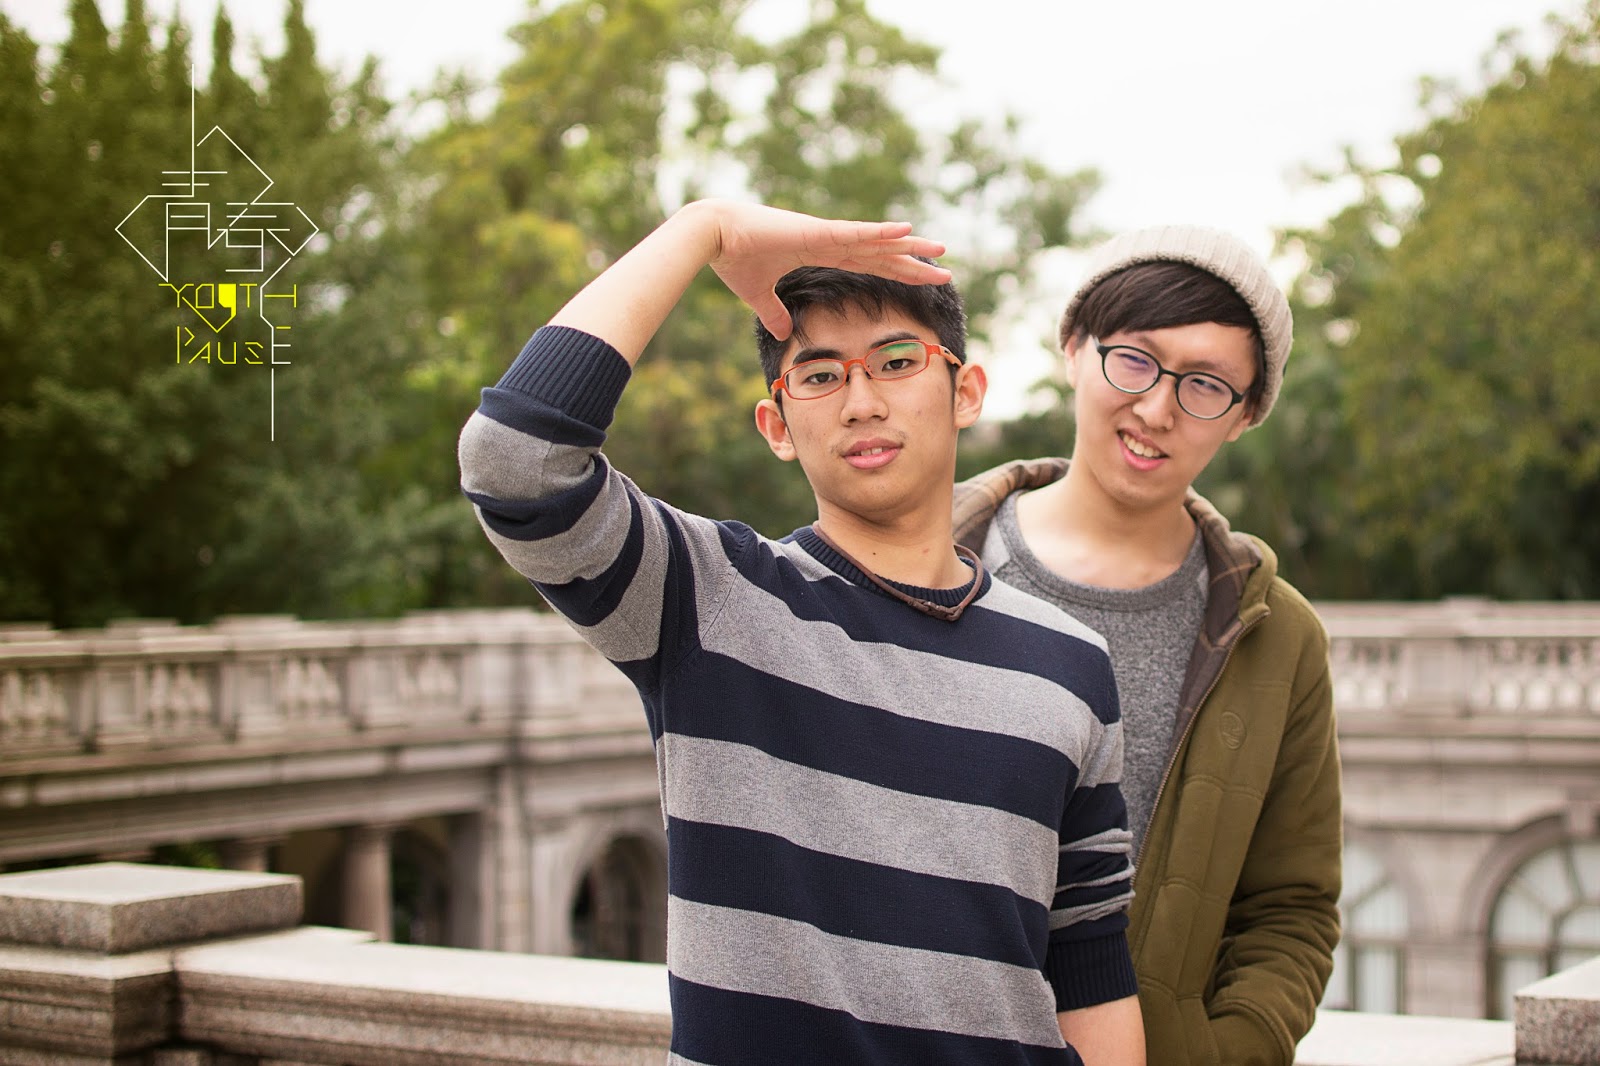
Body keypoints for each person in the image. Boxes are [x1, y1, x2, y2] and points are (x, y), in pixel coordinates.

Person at [458, 199, 1145, 1064]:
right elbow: (514, 462)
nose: (861, 401)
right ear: (777, 425)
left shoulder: (1071, 661)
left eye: (897, 361)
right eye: (819, 376)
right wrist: (702, 230)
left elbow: (1089, 961)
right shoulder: (709, 601)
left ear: (965, 391)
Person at [952, 226, 1342, 1066]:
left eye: (1206, 385)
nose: (1158, 409)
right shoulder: (920, 562)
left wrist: (1221, 1050)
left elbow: (1291, 908)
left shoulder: (1276, 638)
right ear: (1073, 349)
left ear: (1244, 416)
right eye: (1134, 360)